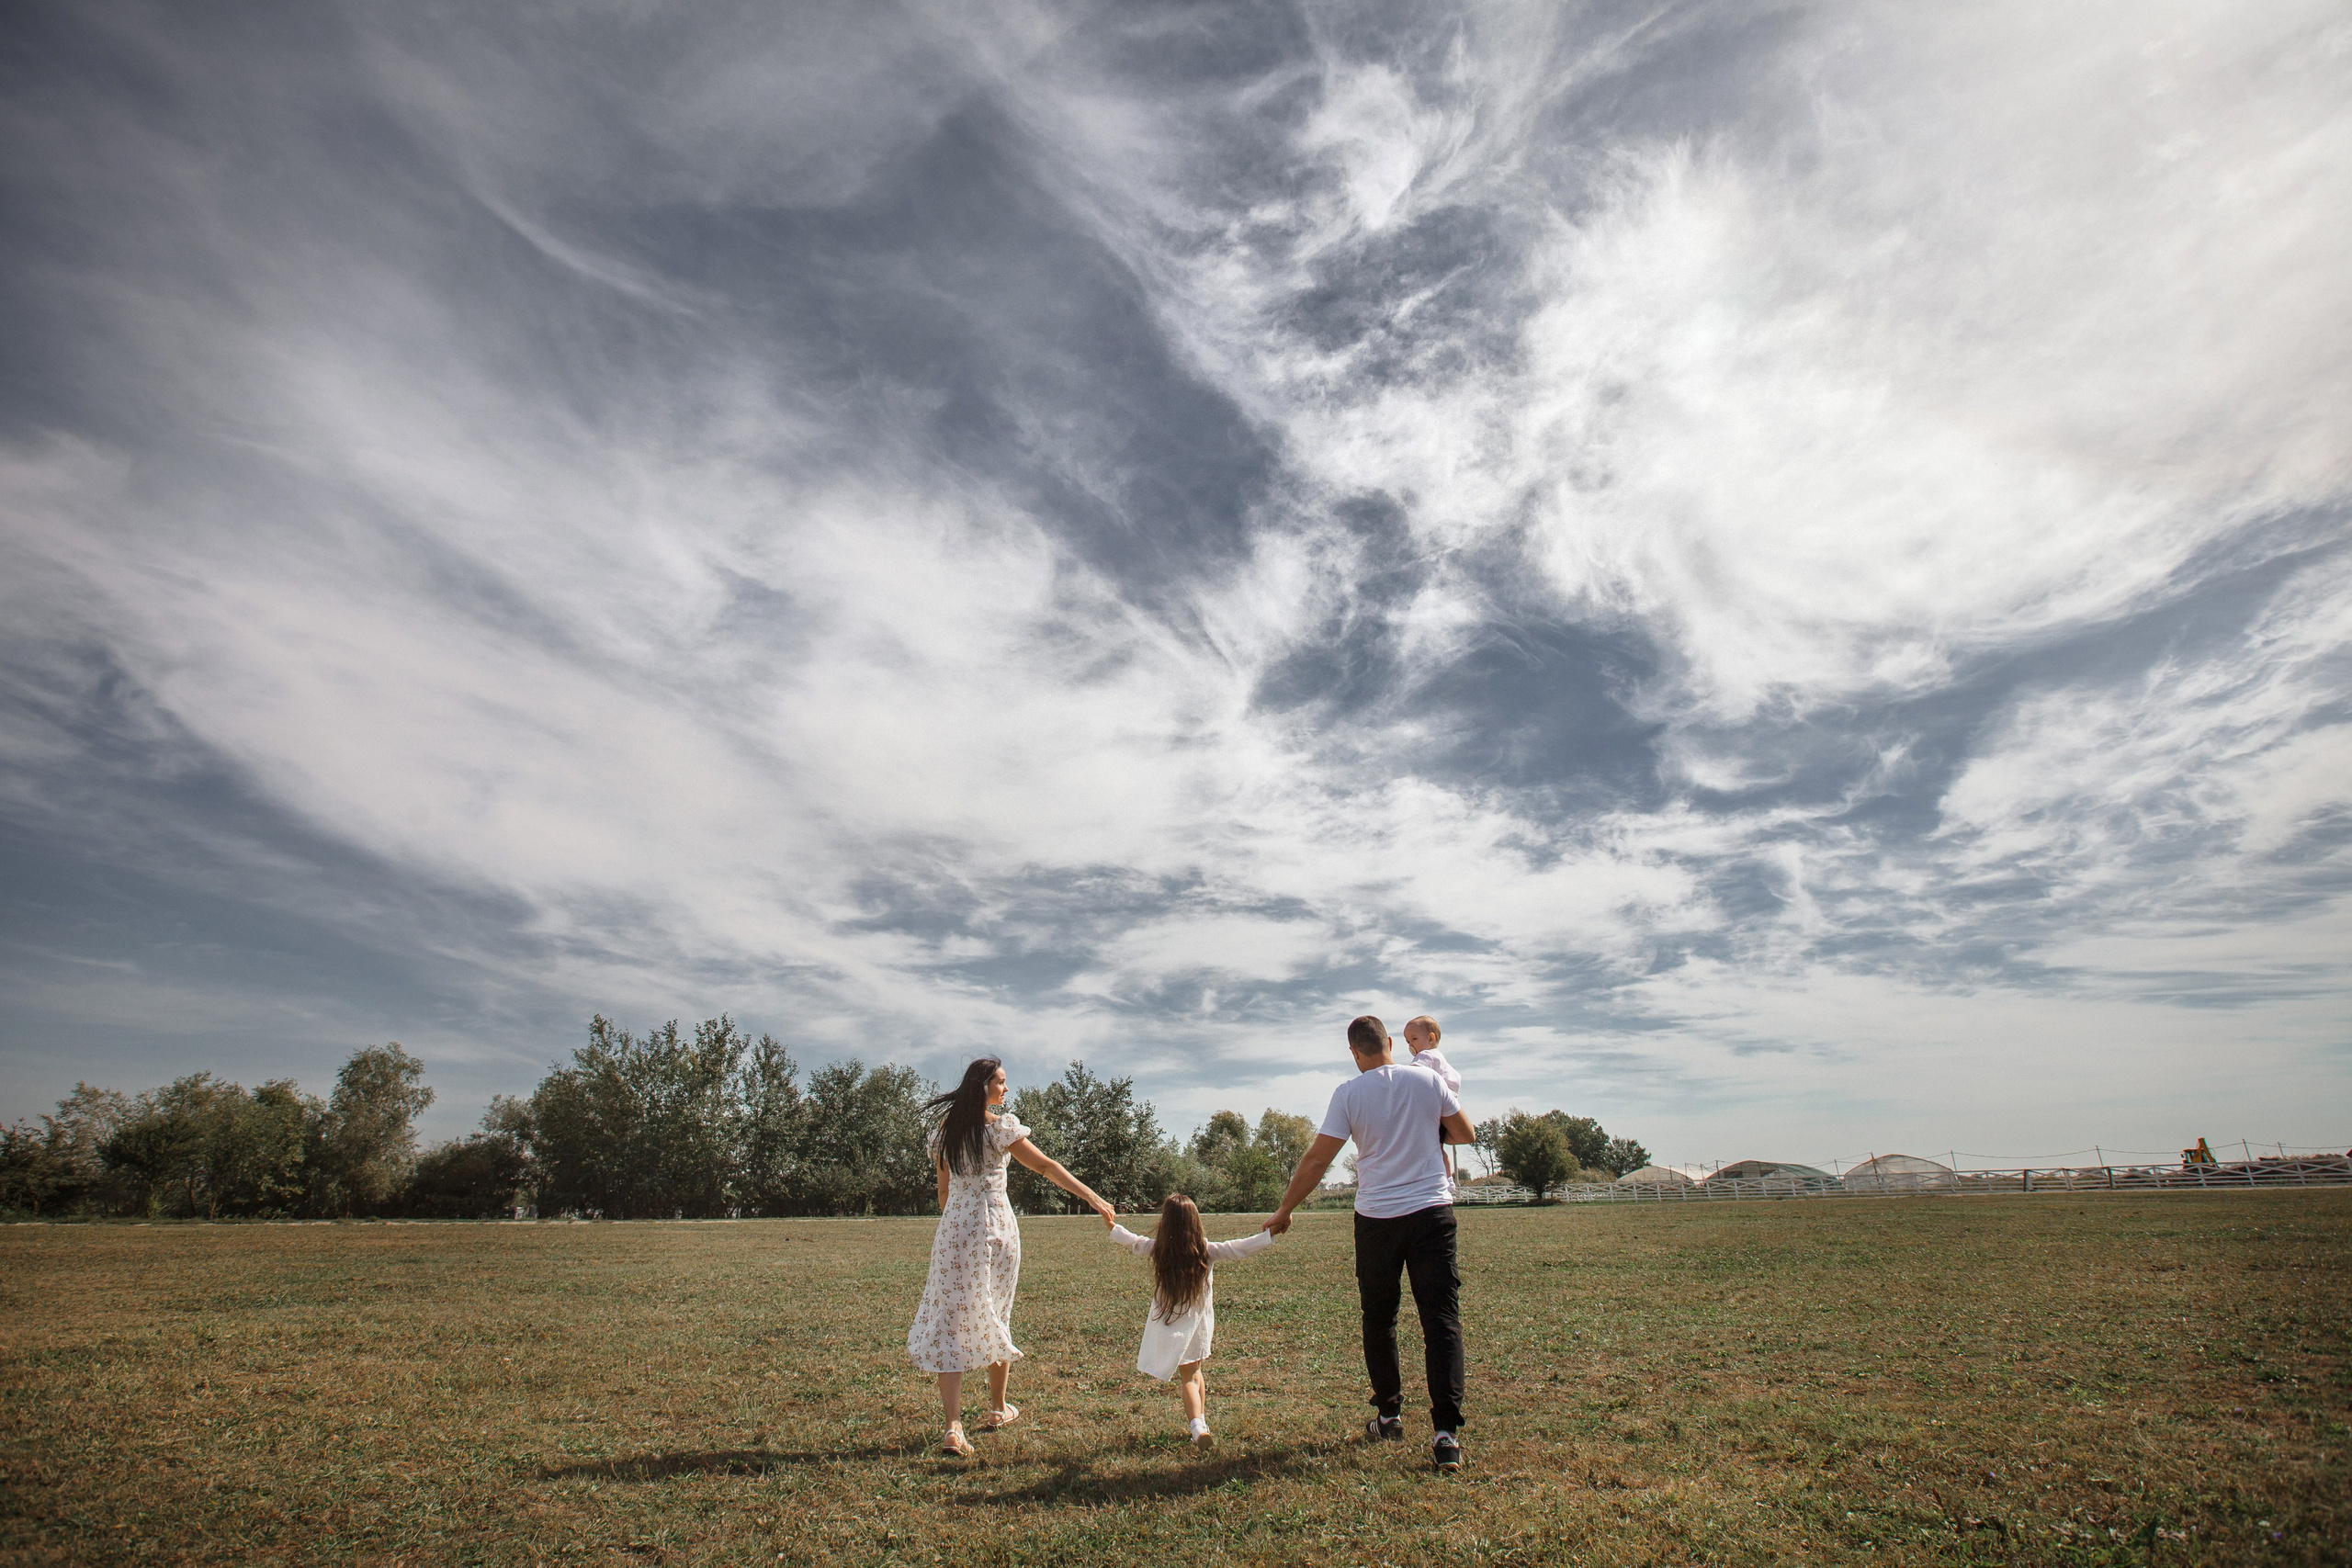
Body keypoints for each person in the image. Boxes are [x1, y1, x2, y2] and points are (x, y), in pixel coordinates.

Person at [1263, 1015, 1476, 1473]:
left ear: (1354, 1051)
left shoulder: (1349, 1093)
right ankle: (1446, 1436)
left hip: (1378, 1219)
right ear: (1390, 1044)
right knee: (1440, 1318)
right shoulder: (1427, 1080)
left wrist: (1284, 1211)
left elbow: (1319, 1158)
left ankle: (1390, 1415)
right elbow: (1464, 1133)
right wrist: (1426, 1130)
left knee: (1380, 1319)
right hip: (1431, 1214)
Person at [906, 1057, 1113, 1457]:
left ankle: (953, 1428)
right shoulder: (1000, 1128)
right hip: (995, 1227)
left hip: (953, 1230)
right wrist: (1093, 1197)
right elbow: (1046, 1167)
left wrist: (955, 1224)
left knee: (951, 1318)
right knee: (997, 1311)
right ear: (984, 1086)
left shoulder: (944, 1133)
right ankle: (998, 1408)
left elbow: (943, 1193)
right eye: (1001, 1083)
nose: (1006, 1089)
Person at [1100, 1193, 1281, 1450]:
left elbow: (1134, 1242)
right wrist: (1270, 1234)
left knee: (1190, 1377)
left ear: (1166, 1223)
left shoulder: (1159, 1249)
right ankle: (1199, 1424)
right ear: (1195, 1222)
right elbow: (1238, 1247)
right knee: (1195, 1374)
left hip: (1172, 1326)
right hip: (1199, 1326)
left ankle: (1197, 1425)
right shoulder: (1204, 1250)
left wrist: (1111, 1225)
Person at [1400, 1015, 1462, 1185]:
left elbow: (1412, 1075)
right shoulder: (1441, 1059)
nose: (1411, 1045)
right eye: (1407, 1041)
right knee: (1439, 1148)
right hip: (1447, 1111)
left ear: (1431, 1038)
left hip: (1434, 1111)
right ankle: (1448, 1180)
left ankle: (1438, 1180)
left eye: (1414, 1039)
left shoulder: (1426, 1056)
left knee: (1429, 1148)